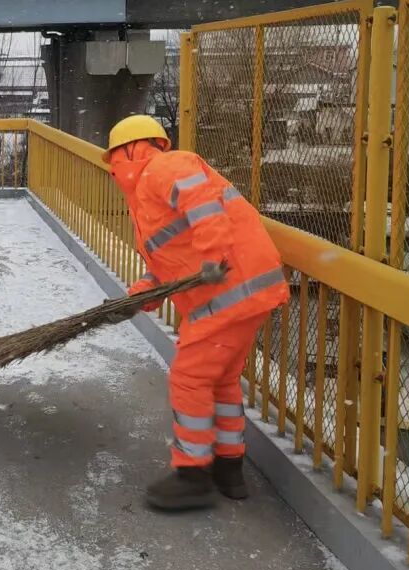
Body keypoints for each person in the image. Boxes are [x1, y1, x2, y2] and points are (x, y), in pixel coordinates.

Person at [103, 115, 289, 510]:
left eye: (114, 160)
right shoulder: (147, 201)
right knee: (219, 381)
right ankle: (228, 467)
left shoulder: (165, 167)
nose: (113, 170)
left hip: (228, 291)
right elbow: (168, 266)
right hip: (239, 293)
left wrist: (212, 258)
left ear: (129, 150)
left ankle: (192, 475)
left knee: (189, 378)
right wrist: (137, 298)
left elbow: (205, 211)